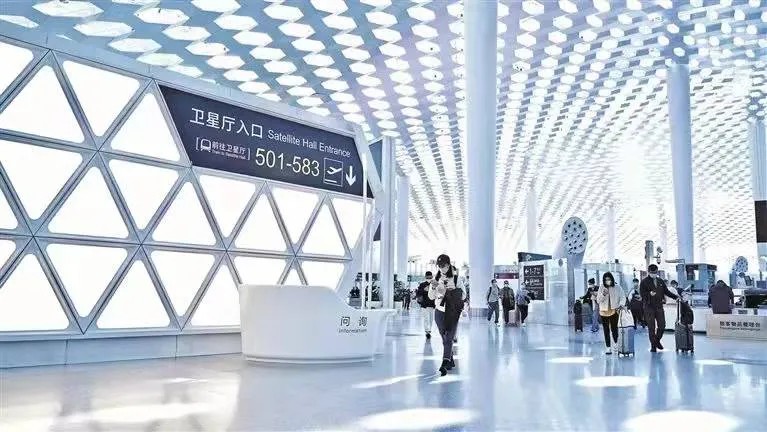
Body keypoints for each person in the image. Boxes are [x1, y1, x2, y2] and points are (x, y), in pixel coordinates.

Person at [428, 254, 464, 376]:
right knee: (444, 337)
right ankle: (450, 359)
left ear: (448, 265)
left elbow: (463, 295)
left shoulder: (456, 278)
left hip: (452, 311)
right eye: (439, 266)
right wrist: (433, 288)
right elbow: (431, 297)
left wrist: (450, 291)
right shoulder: (436, 278)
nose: (441, 268)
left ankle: (444, 363)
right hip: (439, 311)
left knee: (449, 337)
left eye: (443, 265)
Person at [640, 264, 679, 352]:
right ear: (649, 272)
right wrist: (649, 294)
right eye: (652, 272)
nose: (654, 274)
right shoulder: (644, 282)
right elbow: (642, 294)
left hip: (659, 306)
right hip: (649, 307)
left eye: (655, 272)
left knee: (662, 325)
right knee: (651, 327)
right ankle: (653, 346)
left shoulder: (660, 281)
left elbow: (667, 292)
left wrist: (676, 297)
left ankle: (657, 341)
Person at [596, 272, 625, 355]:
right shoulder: (601, 287)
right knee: (606, 330)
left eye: (609, 279)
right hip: (603, 312)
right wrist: (603, 294)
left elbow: (622, 297)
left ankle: (615, 344)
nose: (607, 281)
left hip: (614, 311)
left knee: (614, 329)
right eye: (605, 280)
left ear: (612, 279)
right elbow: (598, 300)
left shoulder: (617, 287)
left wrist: (621, 305)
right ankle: (608, 347)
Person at [415, 272, 436, 339]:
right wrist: (424, 290)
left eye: (430, 277)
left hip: (432, 305)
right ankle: (427, 331)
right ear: (425, 277)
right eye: (428, 277)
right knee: (426, 318)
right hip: (424, 305)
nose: (429, 279)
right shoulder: (422, 285)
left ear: (432, 277)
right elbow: (418, 293)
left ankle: (429, 330)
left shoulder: (434, 284)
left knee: (431, 319)